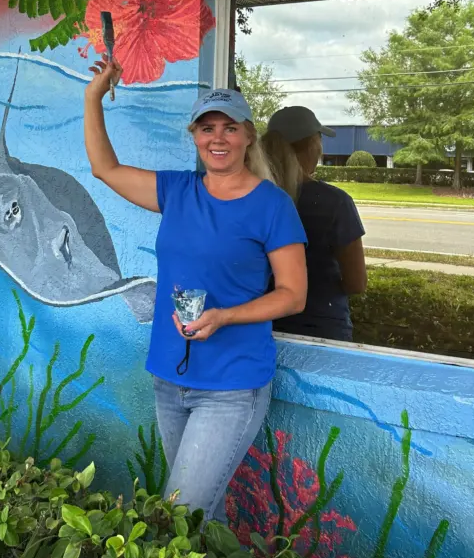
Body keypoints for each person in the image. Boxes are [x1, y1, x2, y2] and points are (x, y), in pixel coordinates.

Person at [84, 58, 307, 522]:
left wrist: (224, 316)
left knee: (180, 515)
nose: (218, 138)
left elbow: (293, 294)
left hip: (230, 385)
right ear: (195, 137)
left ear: (248, 136)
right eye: (207, 129)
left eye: (229, 128)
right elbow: (104, 168)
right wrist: (93, 96)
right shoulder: (178, 192)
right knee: (205, 516)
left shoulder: (273, 206)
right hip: (169, 377)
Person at [262, 106, 366, 341]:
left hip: (262, 325)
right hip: (324, 329)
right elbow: (357, 282)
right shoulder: (336, 203)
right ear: (312, 145)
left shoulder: (252, 197)